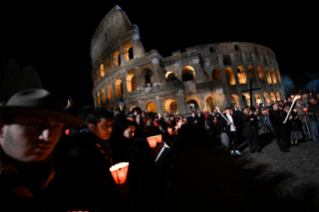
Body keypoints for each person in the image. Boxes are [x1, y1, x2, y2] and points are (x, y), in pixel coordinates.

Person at [0, 89, 84, 211]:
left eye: (56, 126)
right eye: (34, 124)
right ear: (2, 128)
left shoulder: (50, 167)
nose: (48, 136)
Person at [58, 107, 130, 211]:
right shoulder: (79, 152)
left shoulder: (112, 145)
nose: (110, 129)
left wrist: (124, 185)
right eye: (106, 125)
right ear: (92, 126)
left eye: (111, 125)